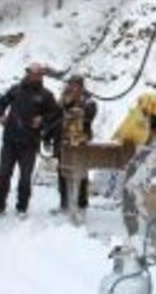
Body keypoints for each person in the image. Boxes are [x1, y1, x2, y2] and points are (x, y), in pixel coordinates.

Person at [0, 63, 61, 218]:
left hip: (30, 143)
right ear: (28, 74)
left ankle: (22, 207)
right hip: (10, 140)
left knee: (25, 177)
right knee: (3, 174)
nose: (36, 76)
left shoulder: (46, 95)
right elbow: (1, 102)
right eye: (33, 73)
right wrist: (0, 115)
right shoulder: (15, 90)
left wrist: (42, 120)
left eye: (39, 74)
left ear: (42, 76)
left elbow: (56, 115)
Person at [49, 74, 96, 218]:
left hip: (81, 141)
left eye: (76, 85)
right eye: (71, 84)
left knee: (81, 172)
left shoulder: (88, 100)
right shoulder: (63, 98)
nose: (73, 88)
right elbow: (55, 115)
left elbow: (90, 115)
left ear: (81, 86)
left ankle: (82, 204)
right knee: (62, 172)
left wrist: (77, 107)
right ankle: (64, 203)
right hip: (63, 141)